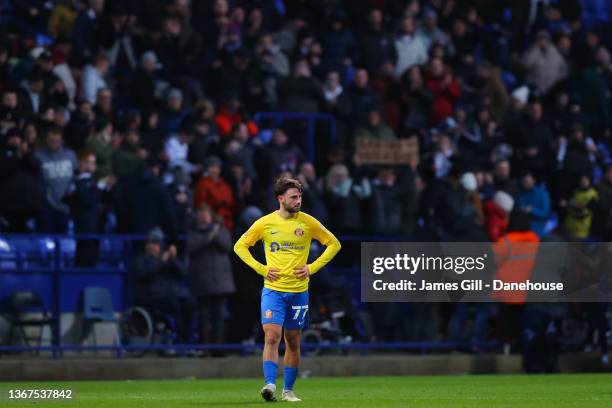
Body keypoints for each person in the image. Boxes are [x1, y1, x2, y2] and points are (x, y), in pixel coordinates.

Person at [233, 177, 341, 402]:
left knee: (292, 340)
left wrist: (312, 268)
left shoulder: (308, 222)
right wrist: (261, 268)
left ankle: (288, 390)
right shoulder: (265, 223)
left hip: (299, 292)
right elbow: (240, 246)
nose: (298, 200)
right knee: (271, 336)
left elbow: (334, 244)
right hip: (273, 290)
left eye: (299, 196)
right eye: (294, 197)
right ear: (280, 199)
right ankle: (270, 385)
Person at [187, 203, 235, 348]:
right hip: (202, 282)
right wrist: (209, 237)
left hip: (220, 281)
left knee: (220, 315)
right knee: (204, 316)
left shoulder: (220, 229)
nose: (203, 218)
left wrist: (215, 235)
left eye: (206, 215)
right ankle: (206, 348)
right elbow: (192, 248)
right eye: (200, 215)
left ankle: (219, 348)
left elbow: (227, 246)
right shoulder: (193, 232)